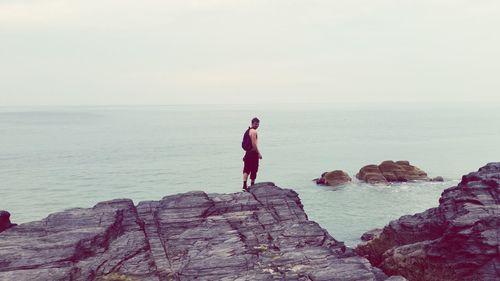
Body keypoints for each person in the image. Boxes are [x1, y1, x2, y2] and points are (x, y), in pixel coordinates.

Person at [243, 117, 262, 191]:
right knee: (254, 168)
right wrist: (259, 153)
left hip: (247, 153)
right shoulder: (253, 131)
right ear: (252, 123)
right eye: (256, 124)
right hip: (253, 153)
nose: (257, 125)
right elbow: (254, 144)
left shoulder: (248, 130)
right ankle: (252, 185)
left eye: (258, 124)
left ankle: (244, 185)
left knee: (246, 168)